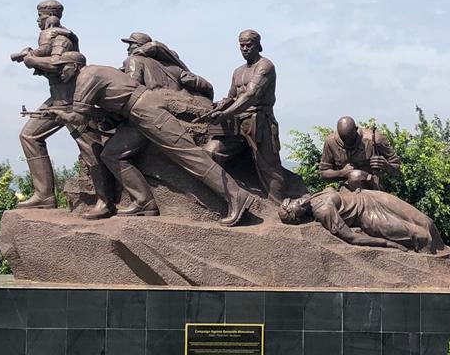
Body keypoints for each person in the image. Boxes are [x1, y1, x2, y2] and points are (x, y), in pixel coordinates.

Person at [61, 65, 254, 226]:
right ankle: (143, 202)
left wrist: (59, 114)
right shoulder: (95, 71)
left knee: (189, 156)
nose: (60, 76)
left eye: (61, 70)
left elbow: (78, 117)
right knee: (112, 154)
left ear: (72, 66)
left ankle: (236, 195)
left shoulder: (86, 76)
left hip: (146, 110)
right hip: (134, 116)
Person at [199, 29, 297, 201]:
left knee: (270, 169)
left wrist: (225, 113)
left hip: (259, 122)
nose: (244, 49)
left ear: (258, 45)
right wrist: (219, 107)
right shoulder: (238, 71)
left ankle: (279, 208)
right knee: (211, 152)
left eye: (248, 45)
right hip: (236, 125)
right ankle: (227, 200)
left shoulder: (265, 66)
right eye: (241, 46)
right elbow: (231, 97)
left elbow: (251, 95)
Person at [10, 0, 84, 209]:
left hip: (70, 101)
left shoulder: (61, 38)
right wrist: (29, 53)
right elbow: (45, 54)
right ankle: (44, 195)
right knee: (29, 136)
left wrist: (32, 60)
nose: (37, 21)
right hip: (58, 99)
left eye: (40, 17)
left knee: (92, 148)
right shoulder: (53, 39)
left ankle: (46, 196)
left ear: (50, 17)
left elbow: (56, 63)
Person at [278, 187, 450, 254]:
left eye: (294, 202)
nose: (300, 202)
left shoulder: (313, 196)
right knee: (418, 235)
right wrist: (387, 243)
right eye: (297, 207)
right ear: (299, 217)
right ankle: (428, 263)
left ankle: (445, 259)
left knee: (425, 221)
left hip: (370, 196)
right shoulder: (323, 212)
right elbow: (351, 238)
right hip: (368, 216)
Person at [119, 32, 214, 103]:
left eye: (130, 45)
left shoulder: (134, 60)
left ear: (139, 46)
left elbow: (130, 89)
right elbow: (204, 85)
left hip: (151, 109)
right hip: (176, 107)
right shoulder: (174, 67)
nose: (128, 49)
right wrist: (209, 96)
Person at [318, 116, 400, 191]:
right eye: (344, 140)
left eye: (351, 138)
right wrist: (344, 173)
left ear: (356, 129)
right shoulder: (330, 142)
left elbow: (396, 169)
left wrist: (385, 165)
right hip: (347, 188)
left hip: (373, 187)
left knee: (356, 176)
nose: (348, 143)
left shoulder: (374, 139)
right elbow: (324, 174)